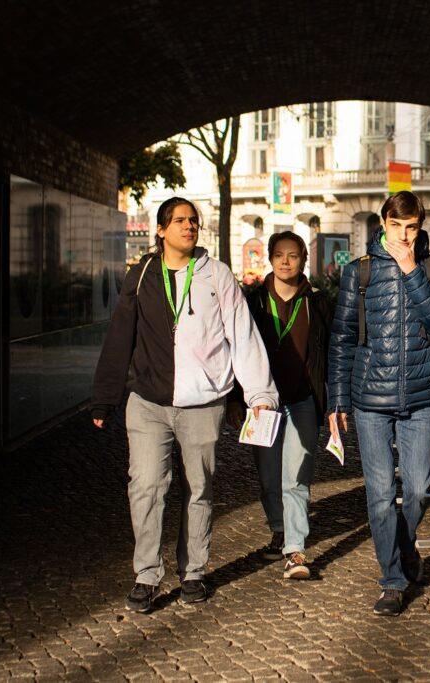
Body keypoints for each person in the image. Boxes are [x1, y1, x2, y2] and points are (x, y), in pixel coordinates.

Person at [91, 197, 278, 613]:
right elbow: (121, 335)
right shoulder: (140, 276)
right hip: (147, 402)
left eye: (193, 221)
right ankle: (147, 575)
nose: (189, 227)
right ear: (161, 230)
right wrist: (104, 397)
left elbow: (242, 335)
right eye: (179, 221)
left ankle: (193, 571)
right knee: (146, 487)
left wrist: (259, 394)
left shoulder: (218, 275)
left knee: (199, 490)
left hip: (203, 403)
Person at [328, 190, 430, 616]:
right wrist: (337, 400)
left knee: (418, 489)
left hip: (418, 398)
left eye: (412, 227)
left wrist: (410, 269)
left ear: (421, 227)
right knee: (381, 495)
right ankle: (393, 581)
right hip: (369, 401)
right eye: (397, 225)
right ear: (383, 222)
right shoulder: (358, 272)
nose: (404, 235)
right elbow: (343, 337)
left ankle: (404, 546)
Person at [227, 231, 333, 579]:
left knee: (296, 478)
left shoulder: (318, 304)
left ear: (304, 258)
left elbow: (330, 353)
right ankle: (278, 529)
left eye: (293, 255)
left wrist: (333, 403)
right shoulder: (253, 302)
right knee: (269, 477)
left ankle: (296, 549)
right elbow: (235, 350)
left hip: (303, 400)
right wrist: (235, 398)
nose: (286, 262)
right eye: (279, 255)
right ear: (270, 259)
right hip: (263, 405)